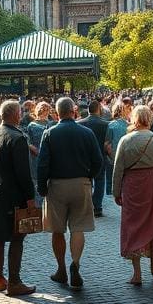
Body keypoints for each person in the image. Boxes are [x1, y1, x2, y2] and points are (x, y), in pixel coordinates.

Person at [37, 96, 104, 290]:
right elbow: (98, 161)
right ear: (74, 111)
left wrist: (42, 188)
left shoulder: (49, 133)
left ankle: (61, 269)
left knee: (57, 230)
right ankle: (75, 263)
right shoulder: (87, 133)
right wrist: (89, 178)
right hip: (81, 183)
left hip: (57, 185)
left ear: (57, 113)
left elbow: (43, 164)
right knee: (78, 227)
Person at [112, 104, 153, 285]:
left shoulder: (125, 141)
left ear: (133, 119)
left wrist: (116, 191)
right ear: (149, 119)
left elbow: (118, 169)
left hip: (132, 186)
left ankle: (137, 273)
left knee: (133, 227)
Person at [0, 99, 37, 296]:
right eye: (19, 112)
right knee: (17, 237)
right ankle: (14, 281)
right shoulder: (17, 138)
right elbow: (24, 173)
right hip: (15, 196)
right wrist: (30, 197)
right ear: (16, 115)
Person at [78, 100, 110, 217]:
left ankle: (86, 206)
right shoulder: (106, 124)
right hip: (100, 156)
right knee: (100, 181)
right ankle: (97, 207)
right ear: (98, 109)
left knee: (86, 182)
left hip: (84, 158)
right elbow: (108, 143)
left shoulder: (80, 124)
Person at [105, 101, 129, 195]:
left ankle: (110, 192)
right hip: (125, 156)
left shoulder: (111, 125)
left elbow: (107, 143)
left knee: (110, 177)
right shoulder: (128, 125)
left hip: (112, 156)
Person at [27, 102, 50, 194]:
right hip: (37, 155)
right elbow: (28, 141)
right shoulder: (32, 125)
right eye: (44, 110)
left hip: (42, 154)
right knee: (38, 179)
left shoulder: (50, 124)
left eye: (46, 110)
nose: (45, 112)